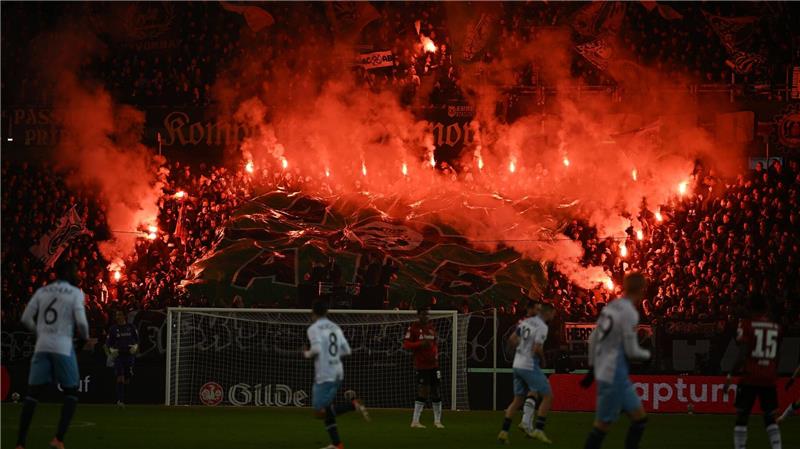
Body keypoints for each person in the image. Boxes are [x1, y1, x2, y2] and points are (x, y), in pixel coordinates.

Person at [16, 261, 89, 449]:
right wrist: (84, 338)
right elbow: (81, 323)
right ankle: (58, 439)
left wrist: (39, 333)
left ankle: (20, 443)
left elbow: (25, 318)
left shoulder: (42, 291)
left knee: (33, 394)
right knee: (71, 392)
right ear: (69, 273)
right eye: (75, 270)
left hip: (42, 345)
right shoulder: (74, 293)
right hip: (63, 345)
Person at [581, 272, 651, 449]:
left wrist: (591, 368)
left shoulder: (612, 307)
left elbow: (594, 338)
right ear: (641, 289)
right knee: (602, 426)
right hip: (613, 375)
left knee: (640, 419)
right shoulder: (629, 313)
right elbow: (631, 350)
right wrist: (646, 354)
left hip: (615, 373)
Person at [304, 301, 369, 449]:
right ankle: (337, 444)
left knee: (319, 412)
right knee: (326, 410)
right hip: (337, 371)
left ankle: (352, 406)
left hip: (325, 373)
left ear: (313, 313)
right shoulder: (335, 328)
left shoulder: (314, 329)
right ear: (326, 313)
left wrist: (306, 353)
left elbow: (315, 350)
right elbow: (346, 350)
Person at [724, 296, 782, 449]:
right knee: (770, 417)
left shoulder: (748, 325)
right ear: (765, 308)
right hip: (769, 377)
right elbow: (777, 354)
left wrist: (730, 373)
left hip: (750, 376)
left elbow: (743, 353)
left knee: (742, 415)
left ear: (751, 308)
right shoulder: (775, 327)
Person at [498, 301, 556, 444]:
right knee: (548, 396)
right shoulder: (542, 327)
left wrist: (518, 351)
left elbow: (512, 340)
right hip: (529, 365)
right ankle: (539, 430)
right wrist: (543, 360)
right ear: (547, 313)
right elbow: (537, 348)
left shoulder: (526, 322)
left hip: (517, 364)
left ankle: (504, 432)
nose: (553, 316)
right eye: (553, 313)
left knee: (517, 400)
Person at [402, 305, 444, 429]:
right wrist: (419, 344)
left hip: (434, 365)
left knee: (436, 391)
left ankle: (437, 421)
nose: (426, 316)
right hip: (422, 365)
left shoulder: (431, 328)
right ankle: (415, 421)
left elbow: (435, 343)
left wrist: (435, 353)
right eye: (424, 314)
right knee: (423, 391)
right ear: (419, 315)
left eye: (428, 314)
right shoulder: (413, 328)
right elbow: (406, 344)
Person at [106, 309, 139, 406]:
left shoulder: (131, 327)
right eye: (116, 315)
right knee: (120, 377)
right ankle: (120, 400)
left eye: (120, 314)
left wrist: (135, 347)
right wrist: (111, 351)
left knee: (127, 378)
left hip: (129, 356)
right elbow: (108, 343)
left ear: (124, 316)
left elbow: (137, 340)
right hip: (119, 356)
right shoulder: (113, 329)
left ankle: (126, 397)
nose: (118, 317)